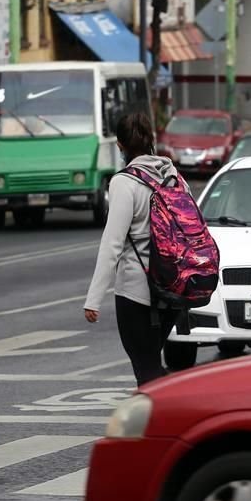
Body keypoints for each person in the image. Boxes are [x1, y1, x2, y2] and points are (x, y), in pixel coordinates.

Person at [83, 112, 182, 385]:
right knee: (152, 363)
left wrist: (93, 299)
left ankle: (168, 420)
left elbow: (113, 243)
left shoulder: (124, 182)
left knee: (146, 368)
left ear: (120, 145)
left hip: (137, 290)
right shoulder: (172, 175)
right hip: (173, 286)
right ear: (151, 141)